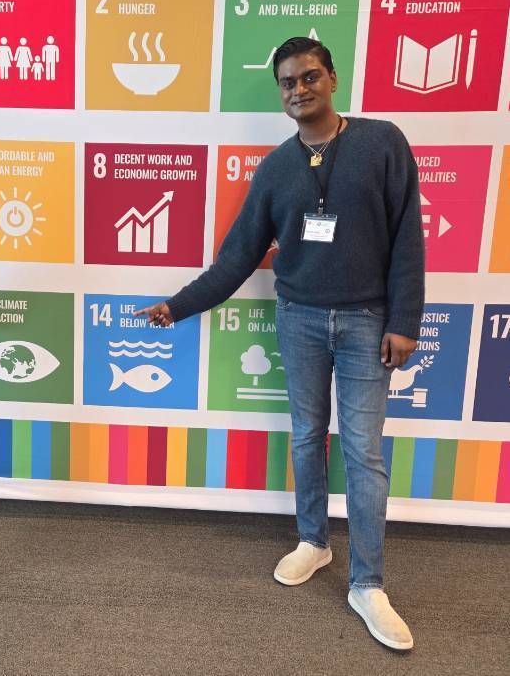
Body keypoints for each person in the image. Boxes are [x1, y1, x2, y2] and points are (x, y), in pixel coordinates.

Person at [136, 36, 424, 652]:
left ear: (333, 79)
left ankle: (367, 583)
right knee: (304, 435)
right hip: (298, 319)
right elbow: (238, 257)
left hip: (369, 323)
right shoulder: (274, 169)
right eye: (288, 82)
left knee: (365, 452)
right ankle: (314, 542)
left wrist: (405, 322)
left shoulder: (381, 143)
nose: (299, 89)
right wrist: (178, 305)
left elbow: (408, 240)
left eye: (310, 77)